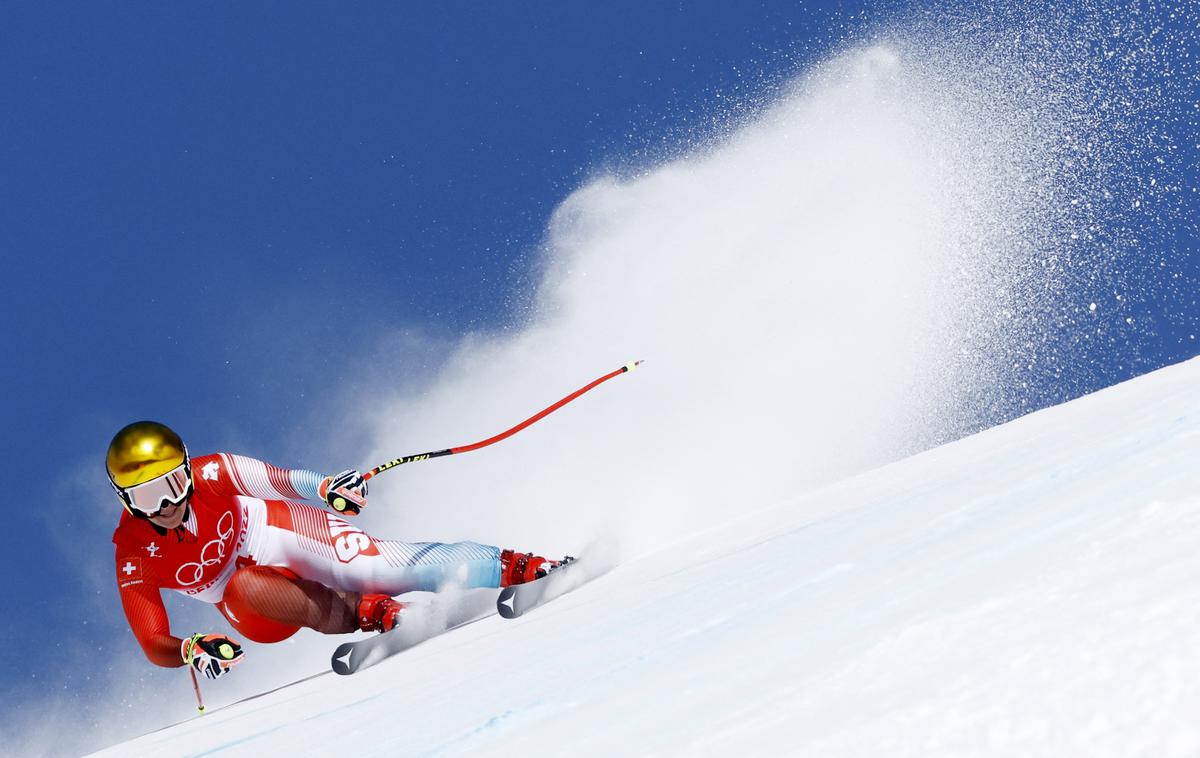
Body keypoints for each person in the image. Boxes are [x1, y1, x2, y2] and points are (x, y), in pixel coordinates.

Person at [108, 420, 564, 680]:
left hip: (271, 530)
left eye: (171, 485)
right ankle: (375, 613)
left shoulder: (212, 473)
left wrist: (327, 487)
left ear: (187, 470)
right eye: (146, 498)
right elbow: (151, 641)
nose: (165, 506)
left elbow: (279, 480)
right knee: (244, 590)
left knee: (377, 567)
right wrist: (191, 648)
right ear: (125, 501)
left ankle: (520, 567)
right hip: (249, 601)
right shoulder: (133, 550)